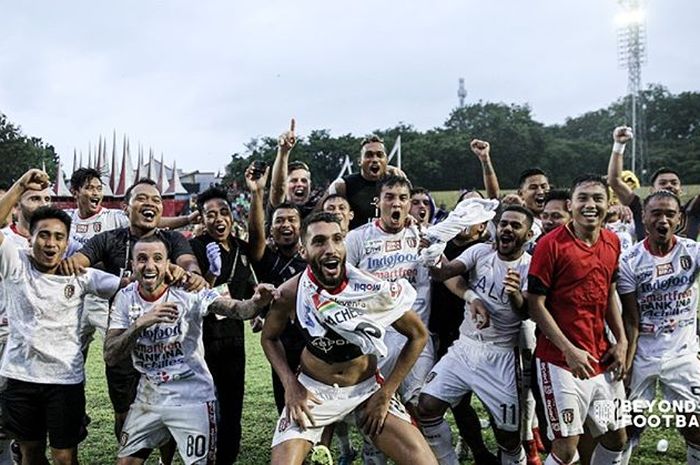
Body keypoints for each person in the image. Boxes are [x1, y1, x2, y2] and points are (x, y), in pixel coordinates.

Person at [261, 212, 437, 465]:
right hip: (314, 392)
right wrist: (291, 385)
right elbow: (269, 338)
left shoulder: (369, 288)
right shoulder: (291, 291)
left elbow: (418, 335)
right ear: (304, 250)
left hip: (366, 390)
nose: (331, 249)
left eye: (337, 239)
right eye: (319, 241)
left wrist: (387, 393)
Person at [59, 178, 206, 459]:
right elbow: (80, 261)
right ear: (126, 207)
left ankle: (165, 459)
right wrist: (69, 266)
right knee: (123, 412)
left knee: (168, 409)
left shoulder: (171, 239)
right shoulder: (109, 239)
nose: (150, 203)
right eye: (142, 198)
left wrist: (192, 275)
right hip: (124, 338)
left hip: (165, 344)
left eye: (156, 200)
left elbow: (189, 264)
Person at [104, 234, 277, 465]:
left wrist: (257, 302)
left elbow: (238, 309)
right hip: (149, 398)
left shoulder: (188, 290)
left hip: (192, 399)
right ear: (132, 264)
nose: (150, 265)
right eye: (142, 259)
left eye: (157, 258)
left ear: (168, 264)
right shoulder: (125, 298)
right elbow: (110, 354)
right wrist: (141, 323)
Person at [0, 170, 121, 465]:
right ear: (31, 238)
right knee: (30, 454)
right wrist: (21, 185)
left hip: (65, 380)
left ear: (67, 243)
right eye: (44, 235)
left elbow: (130, 285)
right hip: (21, 377)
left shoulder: (82, 275)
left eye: (58, 237)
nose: (50, 243)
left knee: (65, 458)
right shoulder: (16, 265)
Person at [420, 205, 534, 465]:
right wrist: (434, 247)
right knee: (427, 406)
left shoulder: (530, 266)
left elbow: (525, 313)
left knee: (507, 437)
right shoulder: (480, 251)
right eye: (503, 223)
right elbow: (443, 273)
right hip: (464, 347)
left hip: (501, 355)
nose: (506, 228)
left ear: (528, 235)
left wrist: (515, 292)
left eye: (515, 225)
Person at [528, 174, 628, 465]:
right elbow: (536, 304)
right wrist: (568, 350)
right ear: (570, 204)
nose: (590, 205)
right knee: (566, 447)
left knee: (615, 436)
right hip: (560, 362)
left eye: (597, 198)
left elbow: (607, 290)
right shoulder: (551, 245)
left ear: (608, 204)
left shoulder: (612, 241)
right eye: (582, 198)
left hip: (600, 357)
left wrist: (620, 340)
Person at [618, 190, 700, 464]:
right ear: (644, 217)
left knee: (695, 426)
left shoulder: (692, 251)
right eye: (656, 213)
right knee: (626, 427)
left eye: (669, 214)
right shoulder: (629, 261)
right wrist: (627, 365)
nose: (662, 220)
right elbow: (631, 319)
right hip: (641, 353)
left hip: (683, 354)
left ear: (680, 220)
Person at [188, 185, 259, 464]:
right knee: (207, 410)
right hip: (203, 341)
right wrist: (212, 273)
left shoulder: (241, 249)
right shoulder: (195, 247)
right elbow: (196, 291)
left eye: (224, 212)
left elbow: (249, 284)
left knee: (232, 408)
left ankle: (227, 458)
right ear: (202, 220)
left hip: (234, 340)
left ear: (232, 216)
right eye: (210, 214)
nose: (218, 219)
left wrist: (258, 311)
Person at [246, 165, 307, 413]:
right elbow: (254, 235)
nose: (285, 225)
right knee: (285, 405)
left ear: (300, 226)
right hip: (279, 344)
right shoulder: (265, 258)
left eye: (291, 220)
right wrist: (257, 193)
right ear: (271, 228)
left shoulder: (311, 260)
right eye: (279, 221)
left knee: (318, 404)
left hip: (311, 342)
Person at [607, 126, 700, 240]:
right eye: (663, 183)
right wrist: (619, 145)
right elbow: (614, 180)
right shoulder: (640, 209)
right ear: (652, 190)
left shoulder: (691, 210)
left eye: (674, 183)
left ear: (680, 190)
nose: (669, 185)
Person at [329, 135, 404, 230]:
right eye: (369, 155)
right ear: (360, 161)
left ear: (386, 160)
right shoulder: (344, 185)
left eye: (379, 155)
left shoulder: (396, 184)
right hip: (355, 242)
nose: (375, 160)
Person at [268, 119, 319, 220]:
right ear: (285, 185)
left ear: (310, 185)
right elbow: (277, 189)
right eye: (294, 180)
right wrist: (283, 151)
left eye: (304, 181)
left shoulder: (318, 210)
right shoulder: (278, 209)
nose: (299, 184)